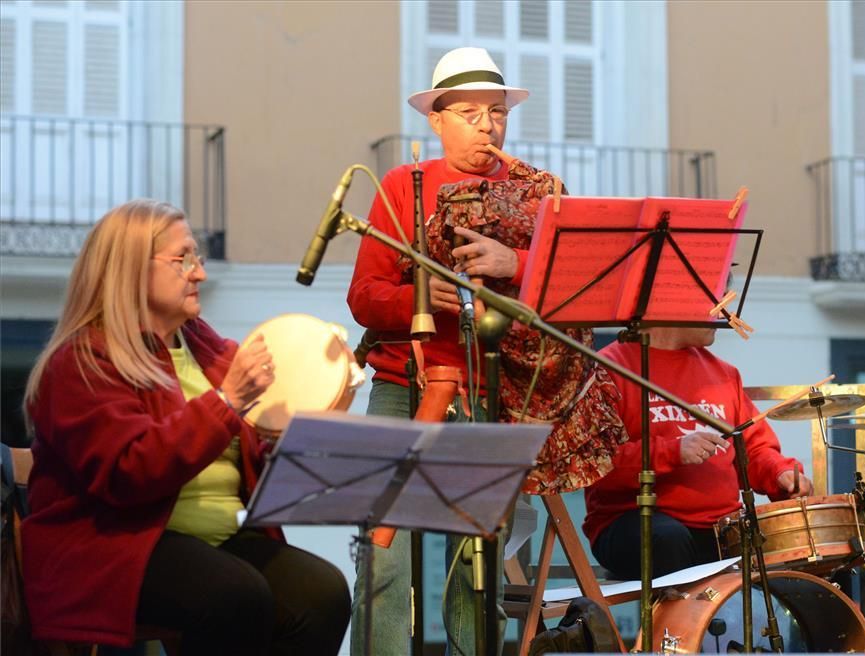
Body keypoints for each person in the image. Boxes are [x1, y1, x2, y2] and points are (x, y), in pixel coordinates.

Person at [21, 200, 351, 655]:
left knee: (323, 594)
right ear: (132, 270)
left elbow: (252, 455)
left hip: (216, 541)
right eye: (184, 260)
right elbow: (130, 470)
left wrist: (316, 411)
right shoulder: (81, 362)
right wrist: (227, 403)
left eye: (197, 258)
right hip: (115, 546)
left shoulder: (206, 347)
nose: (199, 273)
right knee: (235, 596)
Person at [347, 47, 531, 655]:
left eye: (497, 111)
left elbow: (566, 296)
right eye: (471, 111)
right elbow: (365, 296)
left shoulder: (534, 190)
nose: (488, 124)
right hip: (403, 386)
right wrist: (427, 297)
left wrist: (516, 265)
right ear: (437, 120)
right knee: (383, 561)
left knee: (476, 569)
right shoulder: (402, 184)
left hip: (490, 389)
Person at [583, 324, 814, 580]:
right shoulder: (608, 368)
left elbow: (754, 448)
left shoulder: (724, 373)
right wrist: (672, 451)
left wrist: (779, 473)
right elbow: (594, 461)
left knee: (809, 541)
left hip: (723, 528)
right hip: (636, 523)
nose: (722, 313)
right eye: (714, 298)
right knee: (669, 539)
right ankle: (685, 621)